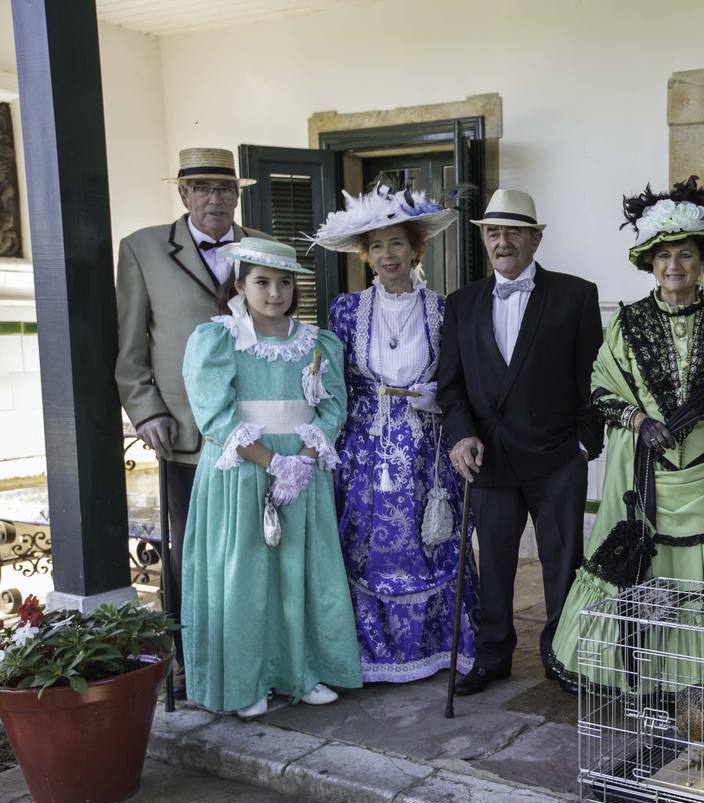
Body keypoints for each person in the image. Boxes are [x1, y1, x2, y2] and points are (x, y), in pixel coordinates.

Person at [550, 176, 704, 691]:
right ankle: (650, 677)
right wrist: (640, 422)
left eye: (685, 255)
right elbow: (600, 389)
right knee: (648, 572)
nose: (674, 266)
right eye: (664, 256)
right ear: (650, 262)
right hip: (647, 478)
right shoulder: (625, 323)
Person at [181, 238, 362, 717]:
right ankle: (249, 681)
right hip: (243, 472)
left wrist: (301, 460)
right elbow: (214, 416)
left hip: (300, 475)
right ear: (239, 285)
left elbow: (332, 407)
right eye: (262, 282)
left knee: (300, 573)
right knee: (248, 576)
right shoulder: (218, 340)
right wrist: (271, 462)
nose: (275, 292)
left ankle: (301, 672)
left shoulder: (316, 343)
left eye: (285, 282)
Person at [436, 189, 603, 696]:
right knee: (496, 566)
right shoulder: (460, 303)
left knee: (562, 561)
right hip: (489, 457)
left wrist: (584, 444)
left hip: (556, 457)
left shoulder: (576, 294)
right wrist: (461, 435)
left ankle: (561, 656)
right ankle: (492, 657)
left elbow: (593, 377)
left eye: (513, 231)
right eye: (492, 232)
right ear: (484, 239)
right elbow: (451, 385)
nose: (501, 241)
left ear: (536, 237)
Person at [311, 187, 479, 684]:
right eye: (378, 246)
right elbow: (332, 381)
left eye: (397, 245)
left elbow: (460, 378)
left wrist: (436, 397)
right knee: (365, 546)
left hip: (427, 448)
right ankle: (369, 653)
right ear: (366, 254)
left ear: (416, 250)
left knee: (433, 543)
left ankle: (436, 650)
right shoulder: (345, 311)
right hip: (365, 450)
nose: (388, 255)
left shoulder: (444, 310)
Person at [115, 148, 268, 684]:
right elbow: (130, 348)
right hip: (186, 433)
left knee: (252, 547)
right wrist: (145, 410)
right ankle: (189, 661)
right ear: (183, 194)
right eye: (202, 188)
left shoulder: (260, 250)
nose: (214, 198)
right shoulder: (142, 250)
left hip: (256, 428)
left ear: (237, 195)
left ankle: (253, 654)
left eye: (225, 189)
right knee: (191, 552)